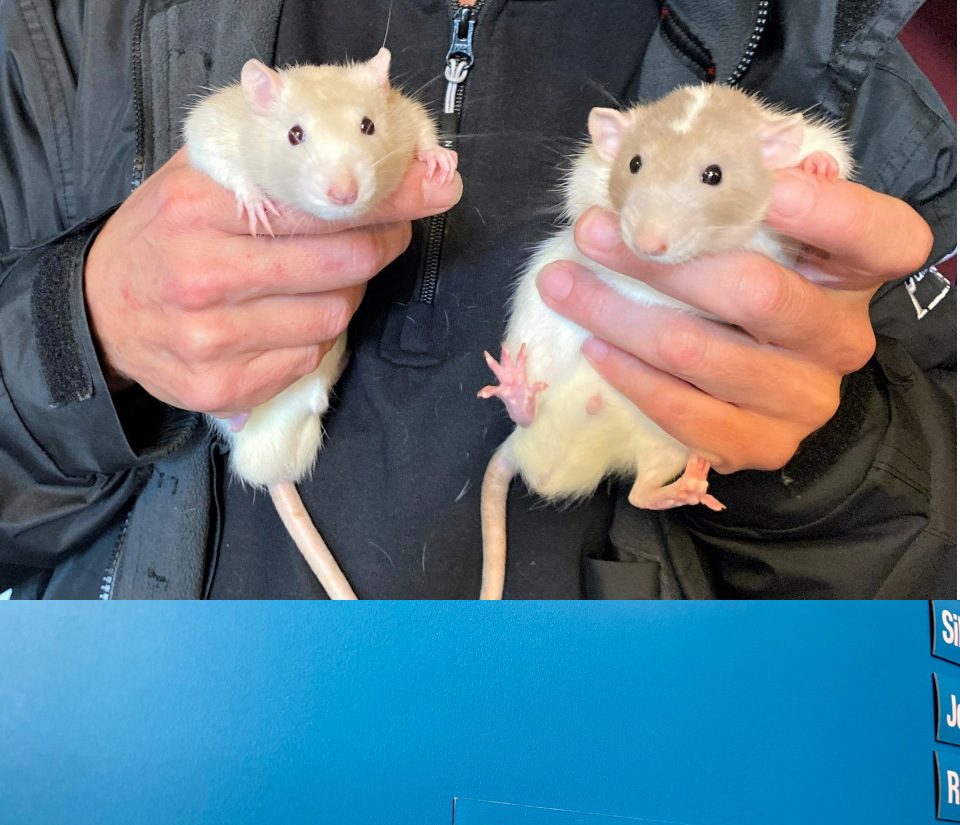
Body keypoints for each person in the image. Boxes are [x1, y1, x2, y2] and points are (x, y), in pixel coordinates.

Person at [0, 0, 954, 599]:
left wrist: (821, 438)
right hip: (162, 816)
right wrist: (79, 330)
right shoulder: (64, 26)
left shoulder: (862, 56)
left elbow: (931, 580)